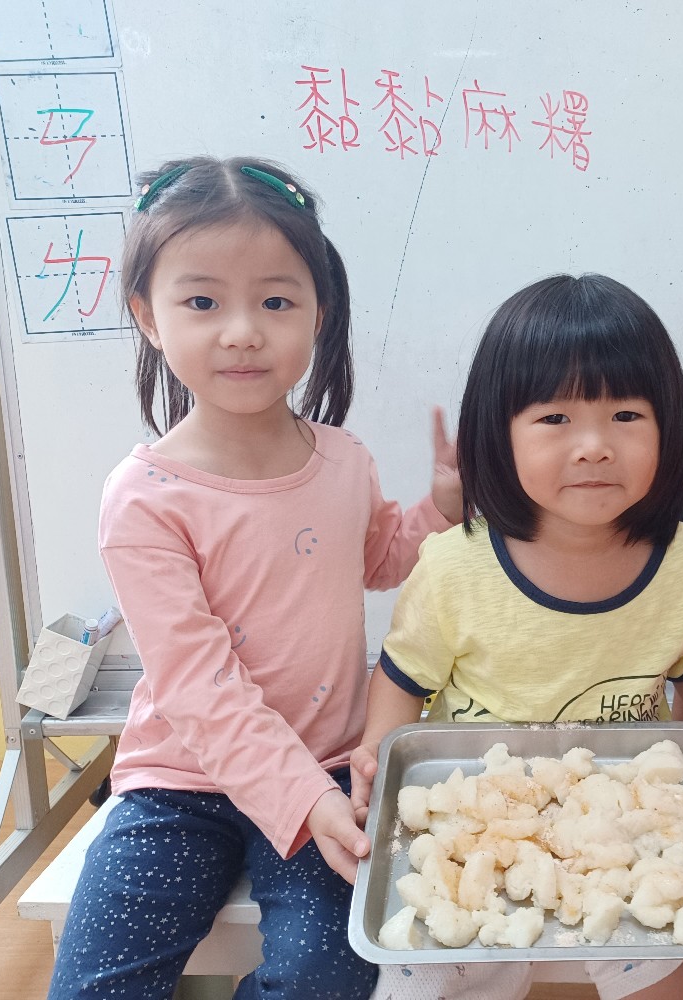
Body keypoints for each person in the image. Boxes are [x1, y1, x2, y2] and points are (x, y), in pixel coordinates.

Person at [46, 156, 461, 1000]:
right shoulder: (144, 496)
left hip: (328, 766)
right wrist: (300, 798)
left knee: (328, 975)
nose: (242, 331)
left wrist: (441, 510)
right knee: (94, 986)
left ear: (318, 313)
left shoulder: (342, 458)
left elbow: (378, 559)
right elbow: (197, 688)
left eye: (276, 302)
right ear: (148, 316)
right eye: (202, 302)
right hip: (178, 783)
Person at [349, 273, 683, 1000]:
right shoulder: (454, 567)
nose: (594, 446)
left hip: (620, 829)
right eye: (555, 418)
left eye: (626, 415)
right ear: (497, 434)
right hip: (474, 820)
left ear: (668, 428)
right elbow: (401, 679)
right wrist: (378, 759)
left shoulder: (682, 564)